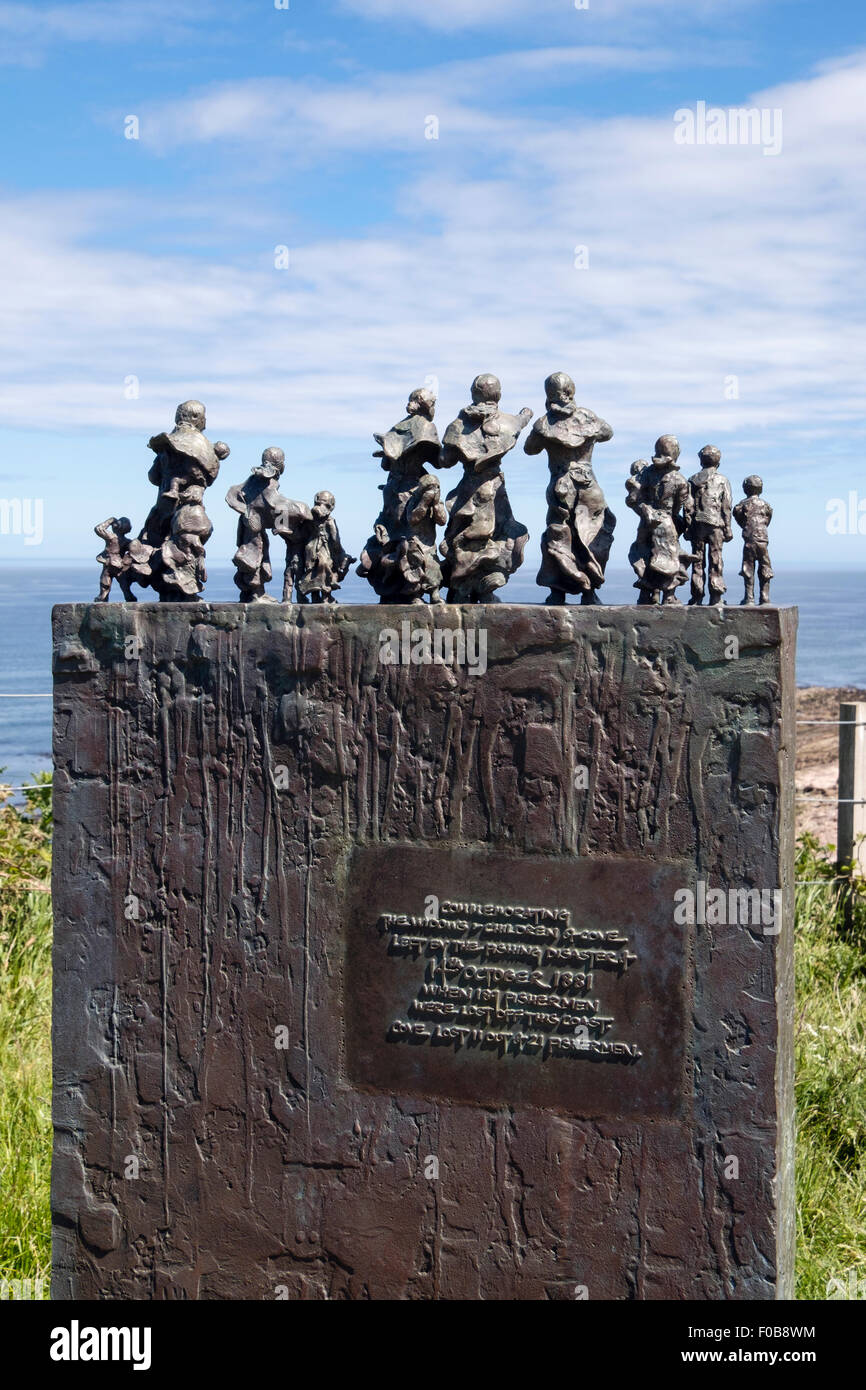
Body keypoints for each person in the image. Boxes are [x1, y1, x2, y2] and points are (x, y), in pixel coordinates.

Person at [439, 374, 532, 603]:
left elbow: (445, 460)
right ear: (498, 395)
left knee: (464, 538)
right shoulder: (508, 422)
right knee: (496, 536)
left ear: (473, 394)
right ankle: (482, 587)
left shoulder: (458, 425)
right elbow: (519, 422)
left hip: (468, 488)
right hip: (494, 487)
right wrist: (525, 414)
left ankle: (463, 587)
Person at [525, 372, 615, 605]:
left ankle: (558, 591)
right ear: (571, 392)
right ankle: (589, 591)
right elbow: (607, 432)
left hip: (561, 486)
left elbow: (530, 448)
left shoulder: (545, 423)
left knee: (558, 536)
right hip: (588, 485)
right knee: (591, 536)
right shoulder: (588, 417)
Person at [357, 387, 446, 603]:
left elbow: (386, 463)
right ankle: (411, 591)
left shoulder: (397, 427)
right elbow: (440, 462)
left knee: (397, 537)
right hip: (411, 488)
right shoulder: (426, 427)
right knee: (415, 540)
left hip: (393, 488)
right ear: (427, 405)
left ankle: (400, 589)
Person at [626, 437, 693, 605]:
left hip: (646, 521)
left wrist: (644, 510)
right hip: (665, 521)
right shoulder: (680, 480)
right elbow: (680, 507)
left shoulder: (646, 474)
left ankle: (645, 594)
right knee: (669, 558)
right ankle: (668, 596)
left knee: (644, 554)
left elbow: (633, 499)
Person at [687, 445, 732, 605]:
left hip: (698, 523)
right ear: (718, 462)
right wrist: (728, 527)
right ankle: (715, 596)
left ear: (701, 461)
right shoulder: (722, 480)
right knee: (715, 559)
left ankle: (696, 596)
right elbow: (726, 506)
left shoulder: (692, 479)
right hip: (715, 524)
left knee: (697, 561)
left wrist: (688, 527)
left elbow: (688, 506)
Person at [297, 491, 355, 604]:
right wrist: (340, 553)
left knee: (314, 571)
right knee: (325, 569)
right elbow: (335, 540)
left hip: (310, 548)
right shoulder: (326, 521)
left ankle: (318, 597)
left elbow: (334, 538)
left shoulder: (311, 519)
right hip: (321, 549)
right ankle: (325, 597)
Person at [733, 475, 774, 605]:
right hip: (762, 539)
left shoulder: (740, 506)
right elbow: (767, 520)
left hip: (749, 540)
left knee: (748, 568)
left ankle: (749, 598)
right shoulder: (766, 505)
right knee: (765, 567)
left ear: (745, 489)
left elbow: (739, 519)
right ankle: (764, 597)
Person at [94, 517, 135, 602]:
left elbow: (99, 529)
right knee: (123, 582)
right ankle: (129, 596)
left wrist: (110, 520)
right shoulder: (127, 541)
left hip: (109, 562)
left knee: (105, 580)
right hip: (119, 563)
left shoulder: (112, 537)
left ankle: (103, 597)